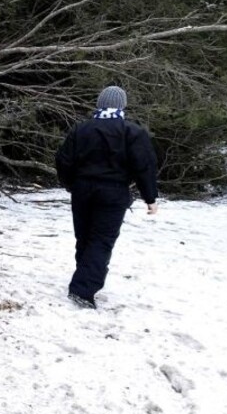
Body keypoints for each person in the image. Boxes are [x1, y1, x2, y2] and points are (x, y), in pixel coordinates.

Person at [54, 86, 159, 309]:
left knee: (84, 237)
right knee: (101, 240)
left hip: (82, 190)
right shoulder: (132, 132)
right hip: (114, 193)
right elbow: (144, 166)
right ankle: (83, 289)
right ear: (122, 106)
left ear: (99, 103)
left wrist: (70, 184)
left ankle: (84, 279)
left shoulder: (82, 129)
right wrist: (150, 197)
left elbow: (63, 160)